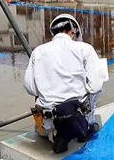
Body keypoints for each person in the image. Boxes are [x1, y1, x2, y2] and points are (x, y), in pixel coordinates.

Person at [23, 14, 107, 154]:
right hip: (75, 116)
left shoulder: (38, 51)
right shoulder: (84, 49)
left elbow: (29, 86)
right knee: (98, 81)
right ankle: (84, 129)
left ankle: (58, 136)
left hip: (48, 121)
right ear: (73, 30)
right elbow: (95, 86)